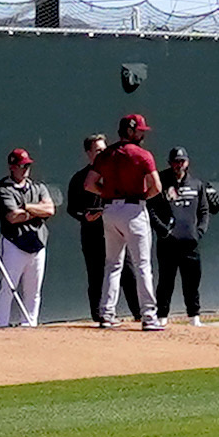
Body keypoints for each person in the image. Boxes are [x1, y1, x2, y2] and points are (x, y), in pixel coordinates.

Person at [80, 112, 160, 327]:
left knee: (112, 264)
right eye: (139, 130)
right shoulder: (142, 154)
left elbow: (89, 184)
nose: (142, 134)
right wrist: (142, 196)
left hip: (110, 210)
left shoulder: (106, 154)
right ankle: (149, 316)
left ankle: (106, 314)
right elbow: (157, 187)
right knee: (142, 264)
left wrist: (106, 192)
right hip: (134, 209)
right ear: (130, 130)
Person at [0, 147, 58, 329]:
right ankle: (0, 324)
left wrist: (26, 207)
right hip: (14, 243)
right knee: (8, 287)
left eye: (27, 165)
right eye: (21, 165)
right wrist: (37, 210)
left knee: (33, 291)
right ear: (12, 167)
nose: (25, 169)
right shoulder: (4, 190)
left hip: (38, 243)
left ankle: (29, 324)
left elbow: (50, 209)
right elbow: (12, 217)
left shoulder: (38, 187)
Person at [149, 148, 211, 325]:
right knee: (165, 281)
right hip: (167, 243)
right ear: (170, 163)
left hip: (190, 242)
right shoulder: (161, 182)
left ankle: (194, 316)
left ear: (187, 162)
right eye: (175, 161)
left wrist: (198, 232)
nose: (179, 165)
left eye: (182, 161)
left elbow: (204, 211)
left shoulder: (196, 184)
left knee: (192, 281)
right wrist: (163, 231)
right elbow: (150, 208)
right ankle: (162, 317)